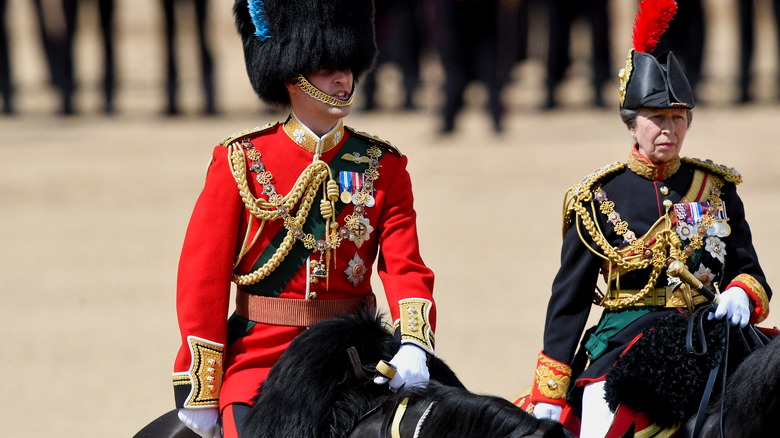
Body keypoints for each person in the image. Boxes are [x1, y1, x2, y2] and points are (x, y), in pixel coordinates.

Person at [171, 1, 437, 437]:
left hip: (356, 352)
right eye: (328, 68)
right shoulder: (240, 160)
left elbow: (404, 265)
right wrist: (200, 387)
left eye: (349, 66)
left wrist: (414, 343)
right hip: (263, 354)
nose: (344, 79)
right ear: (293, 75)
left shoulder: (382, 164)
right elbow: (203, 278)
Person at [514, 1, 772, 436]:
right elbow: (570, 302)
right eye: (656, 119)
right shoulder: (596, 197)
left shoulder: (716, 187)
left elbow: (750, 271)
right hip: (624, 341)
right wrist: (549, 393)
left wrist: (743, 295)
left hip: (709, 333)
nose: (668, 130)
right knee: (600, 418)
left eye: (677, 118)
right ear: (632, 126)